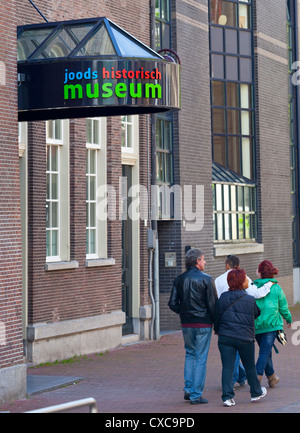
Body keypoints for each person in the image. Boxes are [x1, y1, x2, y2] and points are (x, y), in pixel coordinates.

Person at [215, 255, 273, 388]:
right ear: (238, 266)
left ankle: (239, 378)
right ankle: (245, 383)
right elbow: (256, 295)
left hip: (225, 323)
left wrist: (217, 328)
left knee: (230, 354)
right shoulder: (244, 278)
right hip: (242, 324)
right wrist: (269, 284)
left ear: (227, 265)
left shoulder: (217, 281)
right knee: (245, 358)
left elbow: (218, 303)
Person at [168, 248, 217, 405]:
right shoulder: (207, 279)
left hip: (186, 324)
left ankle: (188, 389)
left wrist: (183, 312)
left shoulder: (179, 279)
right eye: (203, 259)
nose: (205, 262)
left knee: (190, 354)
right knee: (200, 358)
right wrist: (216, 323)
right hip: (203, 323)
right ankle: (196, 395)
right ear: (197, 261)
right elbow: (213, 305)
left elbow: (172, 303)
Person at [253, 260, 293, 388]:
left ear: (260, 272)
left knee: (266, 351)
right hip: (272, 326)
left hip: (257, 326)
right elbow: (283, 306)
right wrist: (289, 319)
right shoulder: (276, 288)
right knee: (265, 352)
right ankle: (256, 378)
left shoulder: (253, 287)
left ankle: (272, 378)